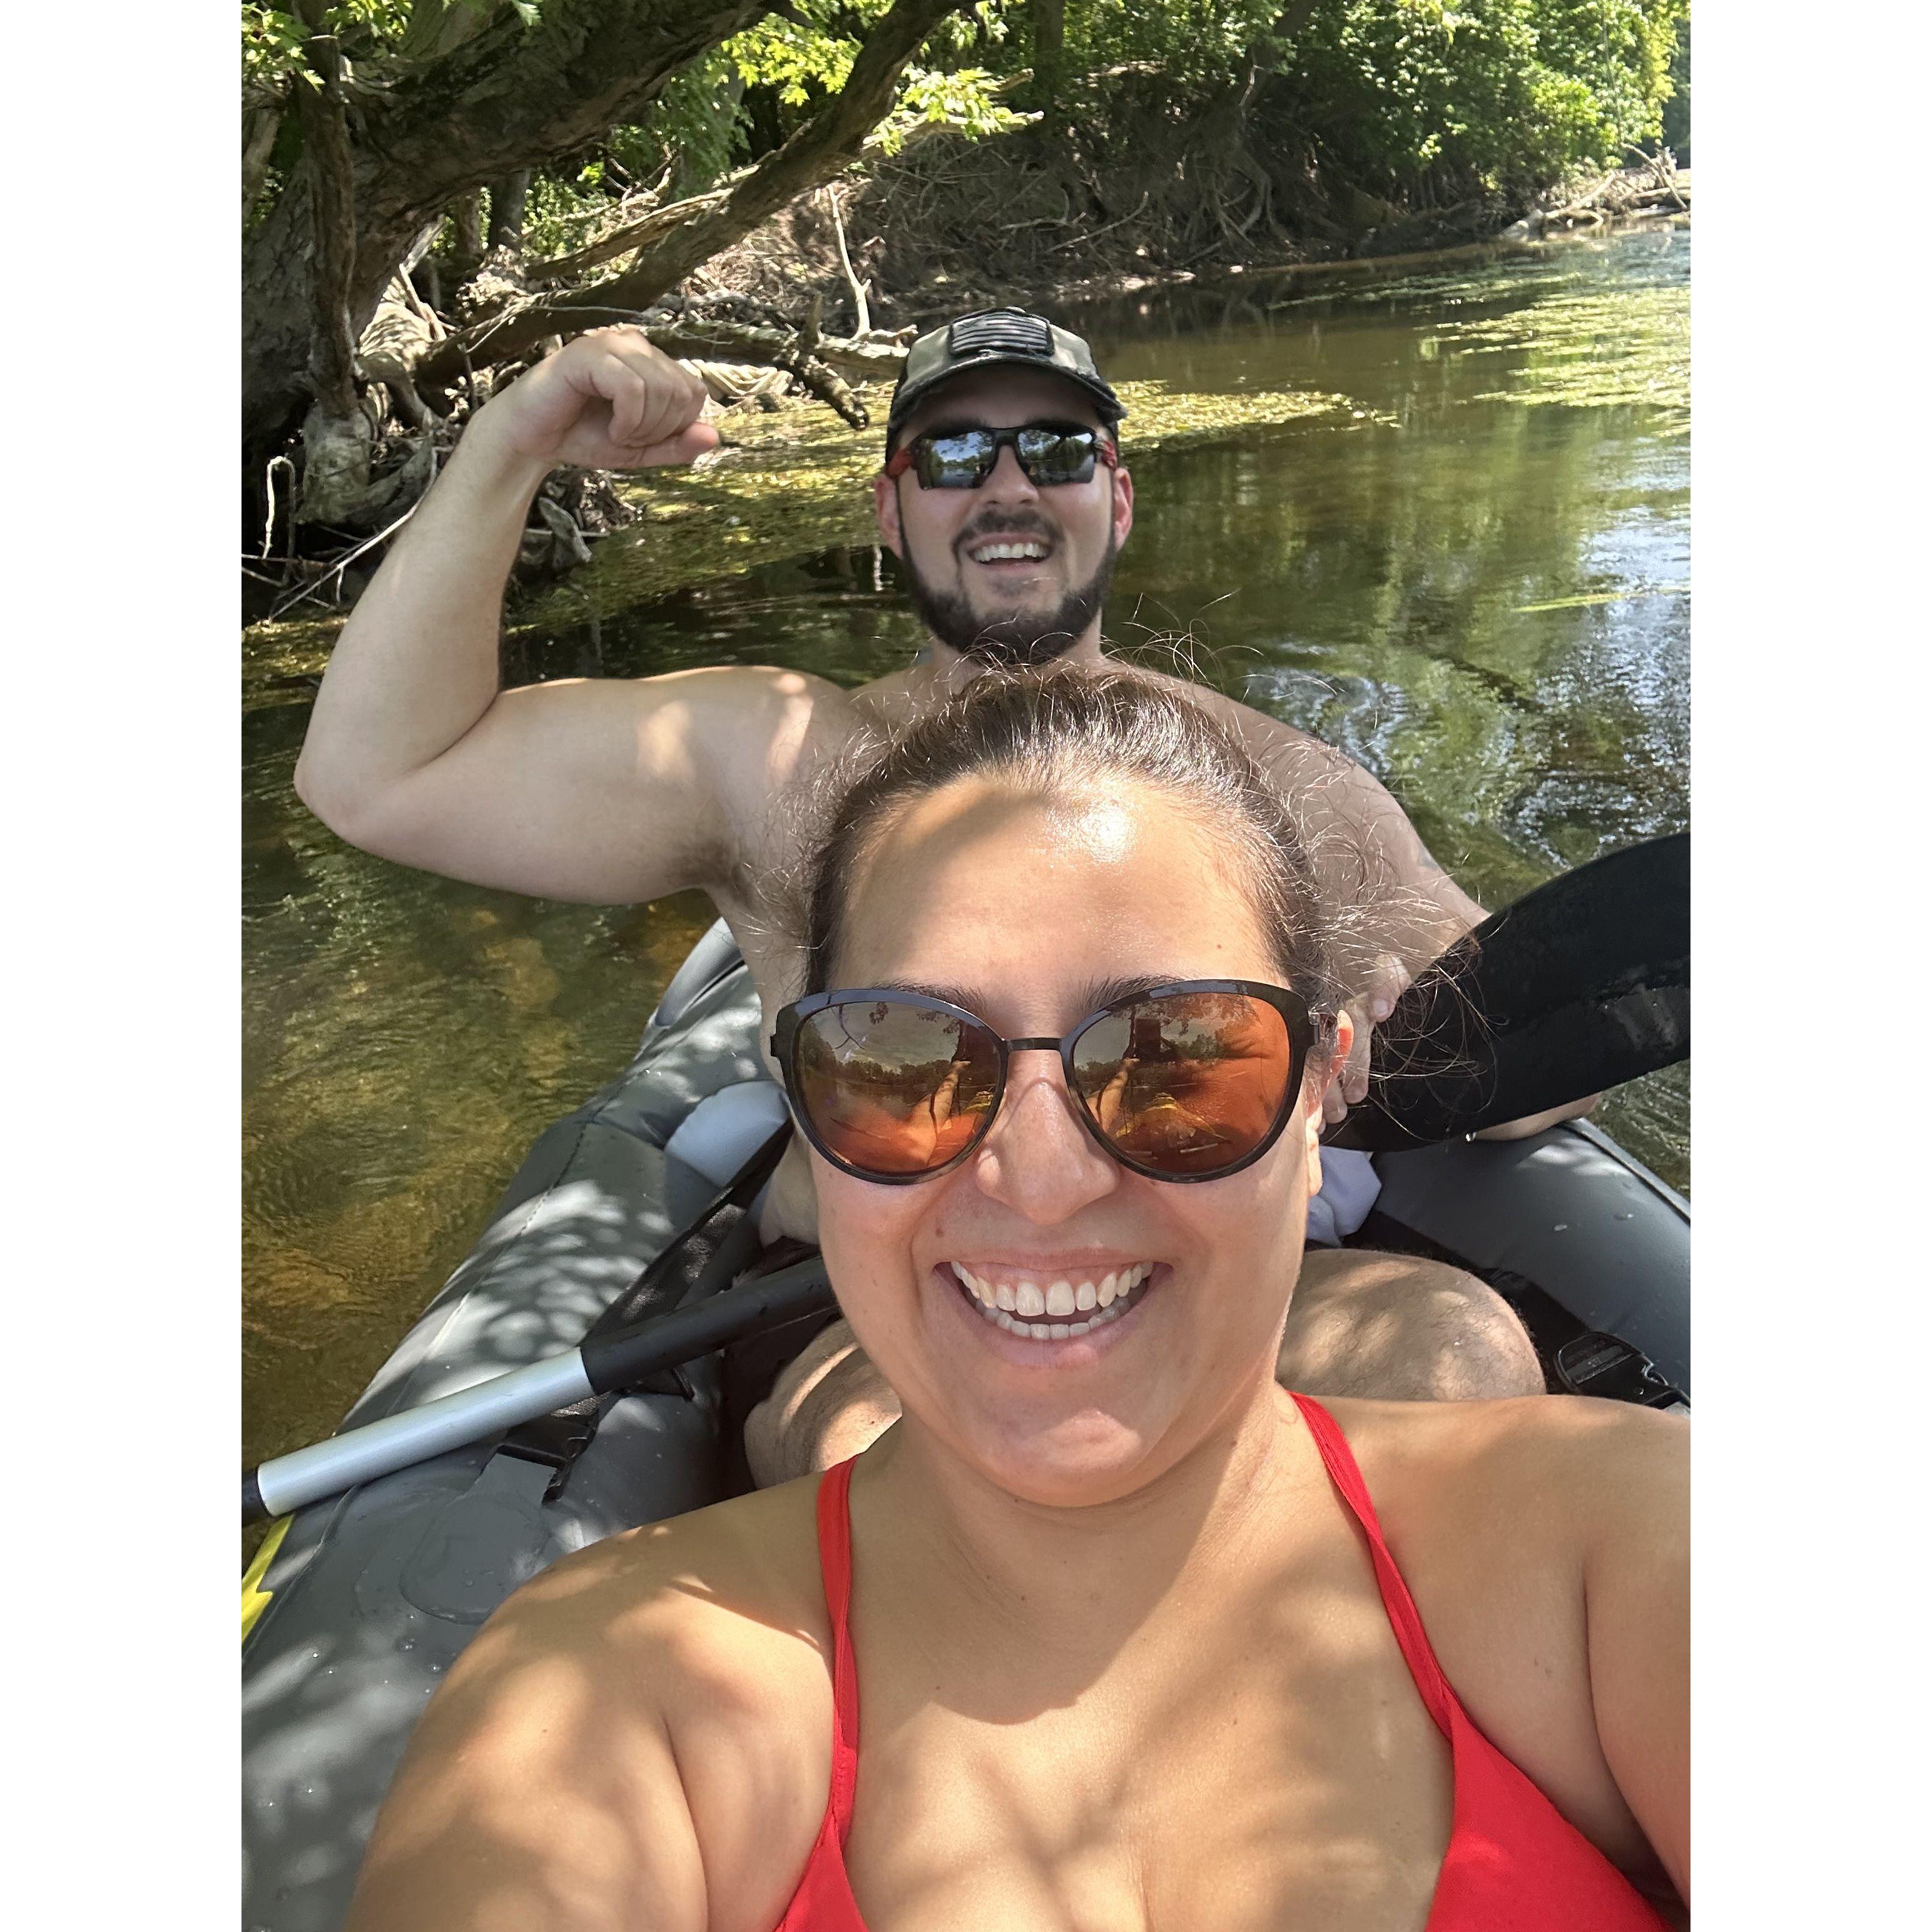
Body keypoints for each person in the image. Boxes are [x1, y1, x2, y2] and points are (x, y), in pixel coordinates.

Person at [341, 670, 1687, 1931]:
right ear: (804, 1099)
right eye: (904, 1055)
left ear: (1321, 1086)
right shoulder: (604, 1713)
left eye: (1178, 1055)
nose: (1039, 1178)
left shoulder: (1634, 1547)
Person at [293, 307, 1589, 1472]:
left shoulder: (1261, 776)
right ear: (887, 509)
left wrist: (1408, 1042)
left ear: (1118, 501)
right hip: (895, 1304)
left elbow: (1541, 1048)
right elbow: (374, 776)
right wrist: (516, 437)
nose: (1009, 487)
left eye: (1058, 452)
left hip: (1196, 1269)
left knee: (1454, 1353)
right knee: (881, 1446)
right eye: (956, 456)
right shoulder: (773, 760)